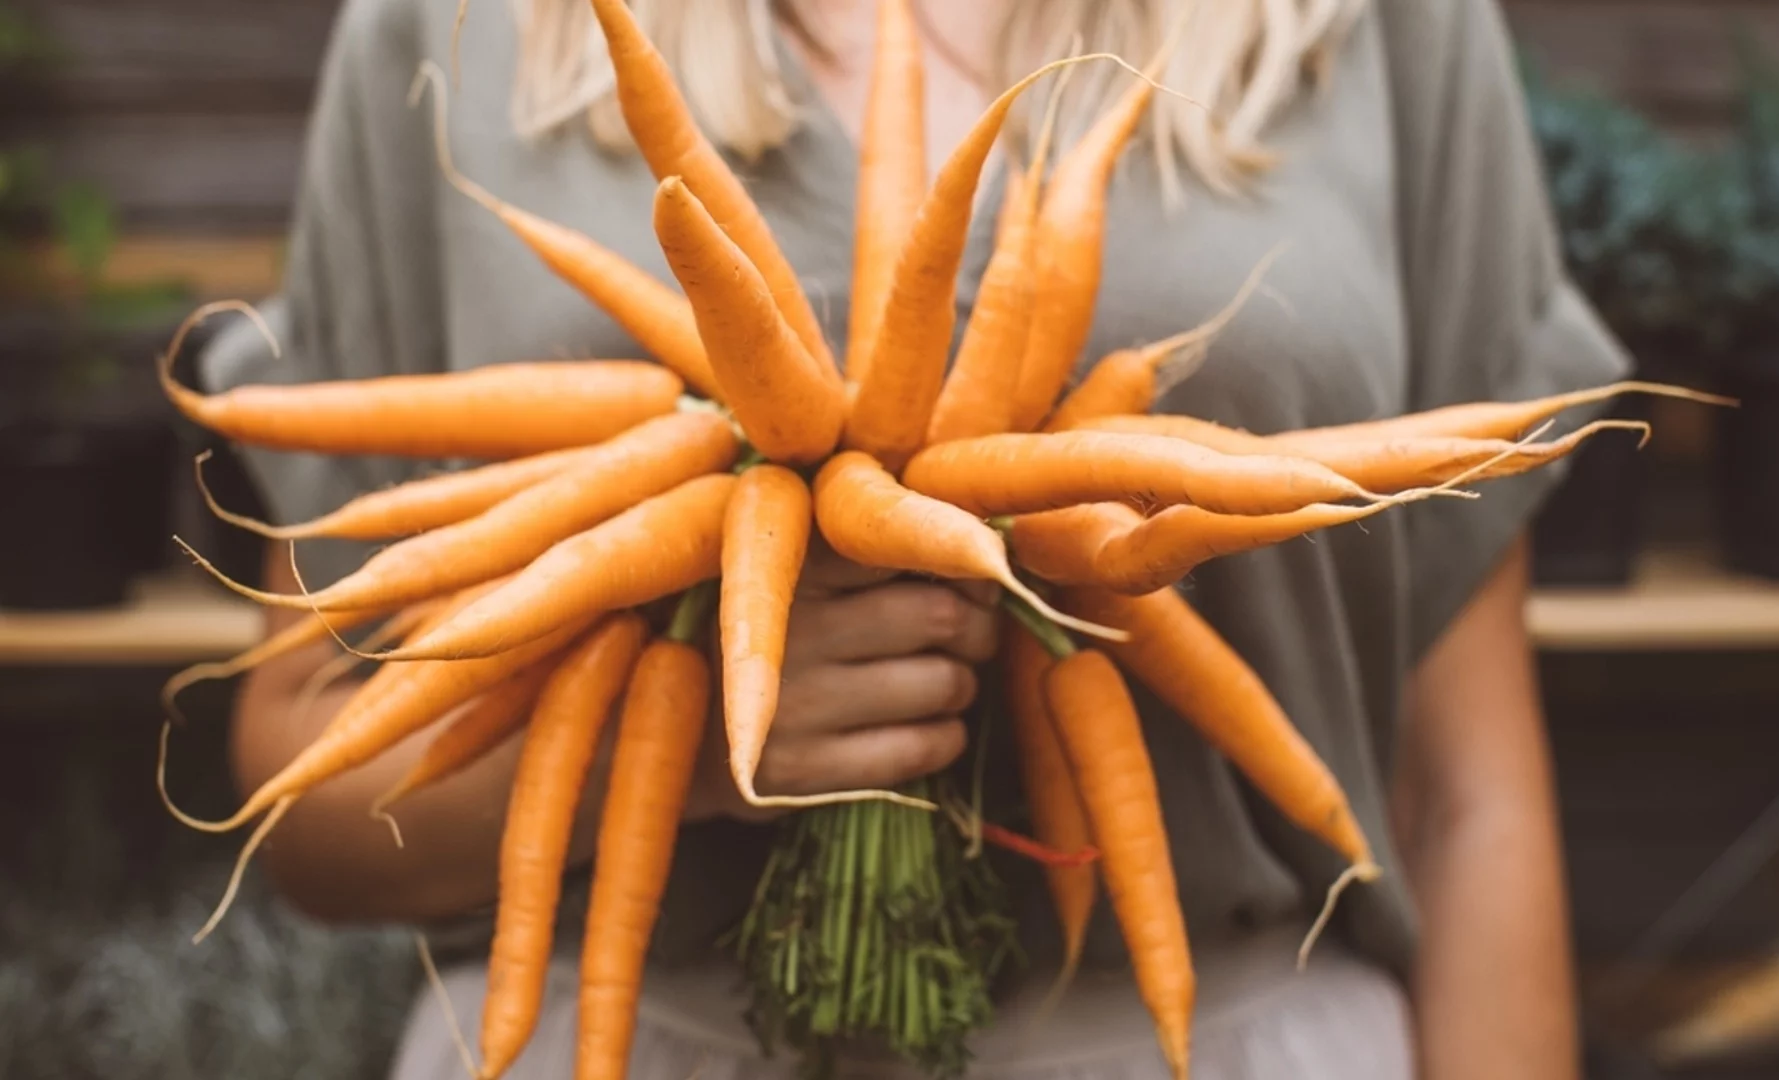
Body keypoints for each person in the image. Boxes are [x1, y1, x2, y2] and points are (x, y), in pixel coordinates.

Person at [200, 0, 1628, 1076]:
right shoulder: (452, 21)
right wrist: (700, 739)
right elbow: (307, 775)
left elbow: (1468, 794)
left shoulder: (1377, 23)